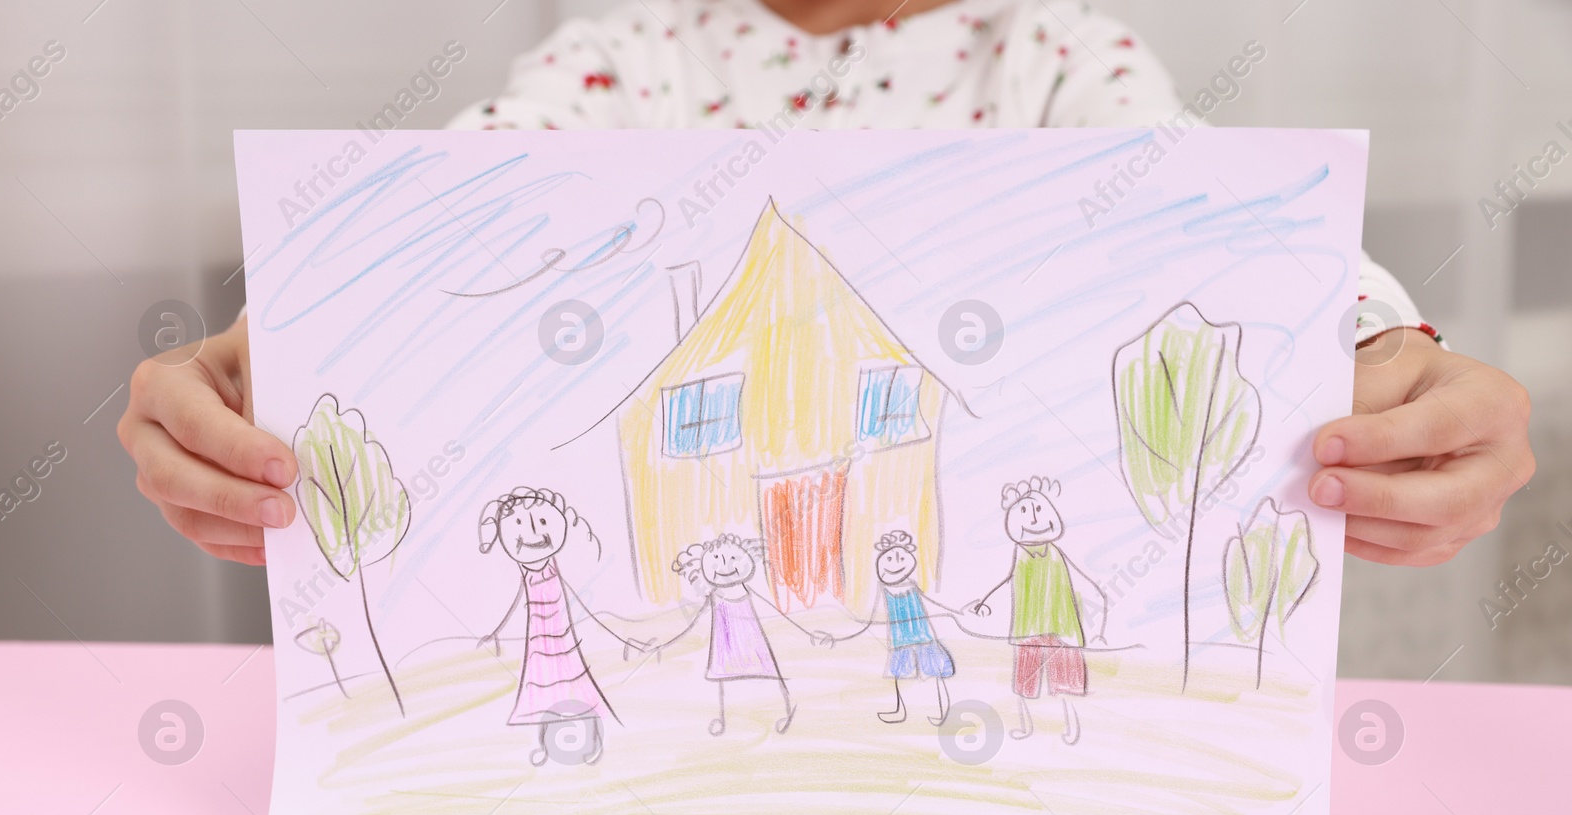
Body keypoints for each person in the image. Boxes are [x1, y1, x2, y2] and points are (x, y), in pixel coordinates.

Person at [119, 0, 1534, 575]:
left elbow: (1209, 215)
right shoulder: (627, 60)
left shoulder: (1051, 55)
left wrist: (1396, 354)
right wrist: (269, 359)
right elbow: (448, 220)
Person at [477, 486, 636, 765]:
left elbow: (576, 598)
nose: (533, 533)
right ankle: (548, 746)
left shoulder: (554, 567)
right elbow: (518, 601)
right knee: (543, 690)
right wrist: (497, 631)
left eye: (541, 522)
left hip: (562, 638)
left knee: (577, 685)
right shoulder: (527, 571)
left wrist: (614, 633)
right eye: (518, 525)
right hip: (539, 642)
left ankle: (591, 743)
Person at [967, 477, 1105, 743]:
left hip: (1063, 629)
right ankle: (1027, 726)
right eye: (1024, 513)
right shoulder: (1020, 554)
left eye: (1039, 511)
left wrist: (1099, 596)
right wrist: (985, 601)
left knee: (1067, 682)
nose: (1033, 519)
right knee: (1024, 683)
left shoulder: (1056, 552)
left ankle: (1072, 727)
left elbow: (1079, 576)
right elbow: (1008, 579)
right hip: (1027, 630)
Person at [654, 533, 820, 735]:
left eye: (733, 559)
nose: (725, 566)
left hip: (753, 642)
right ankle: (723, 720)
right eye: (717, 562)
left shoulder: (745, 589)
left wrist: (806, 632)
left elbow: (774, 610)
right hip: (727, 646)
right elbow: (694, 624)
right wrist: (665, 645)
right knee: (724, 680)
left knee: (771, 672)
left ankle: (785, 710)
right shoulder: (716, 594)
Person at [829, 530, 959, 725]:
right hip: (900, 642)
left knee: (934, 672)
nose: (894, 564)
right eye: (889, 559)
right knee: (900, 675)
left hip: (924, 638)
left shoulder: (912, 586)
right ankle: (901, 711)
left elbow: (932, 603)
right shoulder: (885, 590)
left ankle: (941, 712)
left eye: (900, 558)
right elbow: (872, 618)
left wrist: (955, 612)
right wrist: (841, 635)